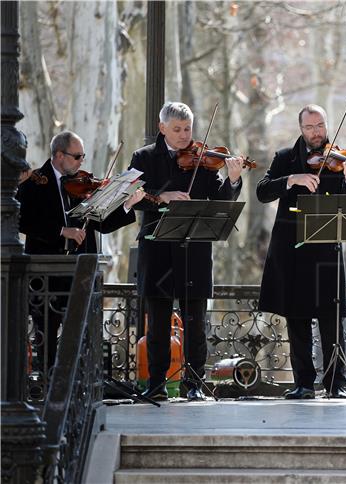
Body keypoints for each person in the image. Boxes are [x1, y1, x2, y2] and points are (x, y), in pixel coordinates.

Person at [130, 102, 244, 401]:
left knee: (195, 321)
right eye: (177, 130)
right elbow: (131, 198)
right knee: (157, 322)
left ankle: (194, 383)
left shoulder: (203, 159)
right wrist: (160, 197)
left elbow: (220, 200)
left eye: (188, 129)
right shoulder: (143, 157)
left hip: (194, 248)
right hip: (157, 248)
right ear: (162, 128)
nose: (184, 136)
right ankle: (156, 384)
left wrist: (233, 179)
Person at [256, 104, 346, 399]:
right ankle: (303, 383)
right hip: (291, 251)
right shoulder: (285, 159)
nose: (316, 133)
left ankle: (335, 384)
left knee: (331, 320)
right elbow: (262, 191)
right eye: (310, 127)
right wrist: (292, 179)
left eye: (320, 126)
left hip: (326, 251)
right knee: (297, 319)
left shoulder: (340, 159)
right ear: (301, 129)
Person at [16, 130, 144, 368]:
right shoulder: (35, 181)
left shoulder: (80, 184)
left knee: (83, 332)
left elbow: (101, 224)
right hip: (47, 275)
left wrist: (126, 204)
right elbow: (23, 220)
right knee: (47, 333)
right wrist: (61, 231)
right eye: (77, 157)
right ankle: (47, 384)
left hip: (80, 273)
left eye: (83, 156)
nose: (81, 162)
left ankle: (80, 384)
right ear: (59, 155)